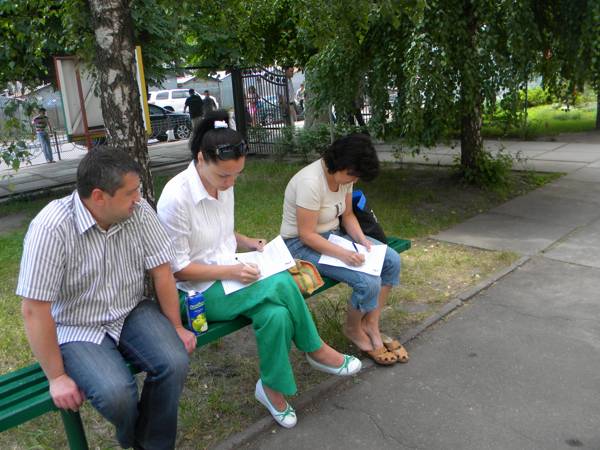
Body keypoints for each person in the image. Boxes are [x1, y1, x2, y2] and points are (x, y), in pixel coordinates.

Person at [157, 110, 361, 429]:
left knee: (275, 315)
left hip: (229, 276)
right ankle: (316, 349)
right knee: (280, 283)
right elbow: (177, 269)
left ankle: (271, 390)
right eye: (224, 176)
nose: (230, 183)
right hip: (194, 294)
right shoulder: (175, 199)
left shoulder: (222, 183)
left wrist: (247, 242)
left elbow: (218, 234)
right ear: (201, 159)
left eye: (237, 175)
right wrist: (231, 271)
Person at [17, 147, 196, 449]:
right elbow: (34, 309)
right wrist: (57, 377)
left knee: (174, 361)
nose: (138, 198)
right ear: (99, 197)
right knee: (116, 395)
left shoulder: (138, 212)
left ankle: (152, 445)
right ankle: (140, 439)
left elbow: (162, 271)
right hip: (76, 324)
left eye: (138, 190)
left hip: (130, 309)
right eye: (130, 193)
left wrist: (177, 327)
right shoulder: (51, 227)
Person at [280, 134, 407, 366]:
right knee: (368, 282)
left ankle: (371, 323)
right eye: (353, 175)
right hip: (299, 244)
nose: (355, 180)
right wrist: (345, 254)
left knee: (391, 260)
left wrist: (363, 241)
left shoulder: (345, 176)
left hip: (334, 236)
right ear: (339, 163)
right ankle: (353, 329)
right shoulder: (310, 182)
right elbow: (307, 235)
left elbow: (347, 215)